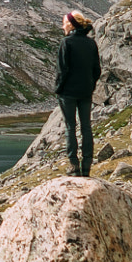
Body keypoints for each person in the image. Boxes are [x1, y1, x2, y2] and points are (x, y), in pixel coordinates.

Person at [54, 10, 100, 176]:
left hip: (68, 93)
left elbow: (62, 70)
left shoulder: (66, 42)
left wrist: (58, 88)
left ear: (71, 24)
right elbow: (97, 70)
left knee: (70, 127)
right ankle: (87, 165)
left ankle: (74, 165)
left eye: (64, 22)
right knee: (86, 126)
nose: (62, 25)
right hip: (86, 91)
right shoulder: (91, 43)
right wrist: (90, 85)